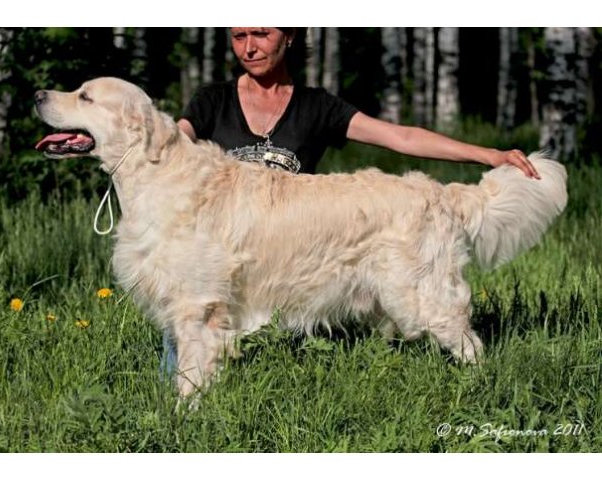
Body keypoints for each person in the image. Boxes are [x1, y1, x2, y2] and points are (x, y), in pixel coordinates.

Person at [160, 26, 541, 378]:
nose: (249, 47)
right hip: (222, 257)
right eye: (239, 35)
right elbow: (166, 148)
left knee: (408, 311)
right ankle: (184, 391)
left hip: (294, 258)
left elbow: (401, 138)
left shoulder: (316, 106)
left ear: (289, 35)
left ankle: (479, 375)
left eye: (261, 33)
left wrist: (487, 155)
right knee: (187, 301)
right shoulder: (212, 101)